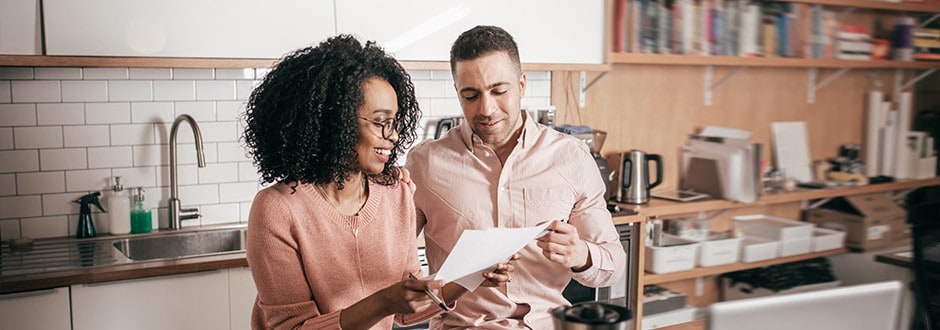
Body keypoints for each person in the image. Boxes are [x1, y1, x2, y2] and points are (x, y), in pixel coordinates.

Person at [242, 35, 514, 330]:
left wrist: (470, 278)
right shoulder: (278, 209)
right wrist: (382, 302)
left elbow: (407, 308)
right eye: (381, 121)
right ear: (335, 121)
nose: (394, 135)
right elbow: (291, 327)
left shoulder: (395, 193)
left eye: (395, 121)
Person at [405, 25, 627, 329]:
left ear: (522, 84)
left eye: (499, 91)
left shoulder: (571, 156)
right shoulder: (425, 163)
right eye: (471, 96)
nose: (487, 109)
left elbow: (614, 265)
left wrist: (580, 254)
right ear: (457, 93)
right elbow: (396, 270)